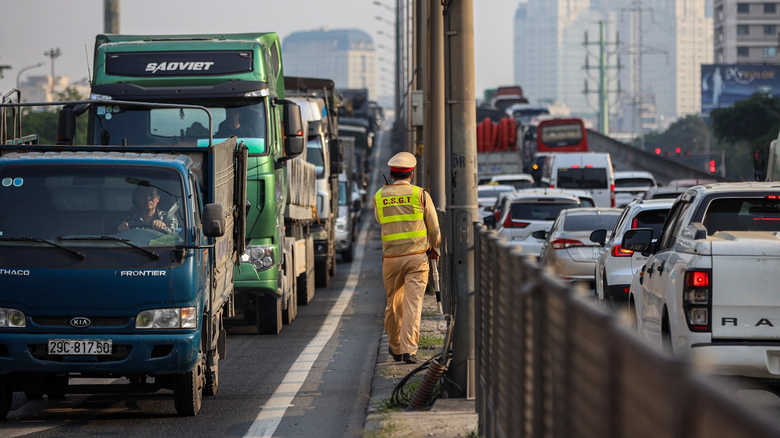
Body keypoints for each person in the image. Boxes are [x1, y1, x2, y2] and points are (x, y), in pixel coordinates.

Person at [374, 152, 441, 364]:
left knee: (393, 303)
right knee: (414, 304)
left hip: (392, 258)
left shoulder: (379, 196)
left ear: (391, 174)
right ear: (411, 174)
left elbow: (379, 220)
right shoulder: (420, 195)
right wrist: (435, 248)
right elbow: (435, 228)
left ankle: (394, 347)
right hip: (417, 257)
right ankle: (409, 350)